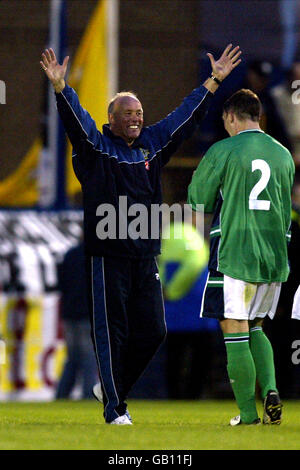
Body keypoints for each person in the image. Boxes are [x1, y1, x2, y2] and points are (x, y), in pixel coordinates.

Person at [40, 43, 242, 425]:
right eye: (128, 114)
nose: (135, 119)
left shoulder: (153, 143)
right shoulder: (94, 148)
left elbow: (185, 117)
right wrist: (61, 88)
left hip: (146, 254)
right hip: (108, 255)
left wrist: (214, 80)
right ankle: (116, 409)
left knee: (153, 331)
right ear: (111, 118)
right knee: (110, 332)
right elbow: (76, 121)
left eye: (139, 113)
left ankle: (112, 388)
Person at [188, 89, 295, 425]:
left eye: (225, 121)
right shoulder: (284, 154)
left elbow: (198, 200)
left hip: (236, 250)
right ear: (258, 115)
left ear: (231, 117)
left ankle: (248, 415)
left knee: (233, 328)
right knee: (258, 326)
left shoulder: (224, 149)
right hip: (275, 255)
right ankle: (273, 390)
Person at [56, 243, 98, 399]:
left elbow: (61, 284)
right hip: (87, 313)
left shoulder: (70, 254)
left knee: (72, 358)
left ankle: (62, 395)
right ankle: (88, 396)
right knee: (89, 358)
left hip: (69, 313)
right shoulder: (97, 257)